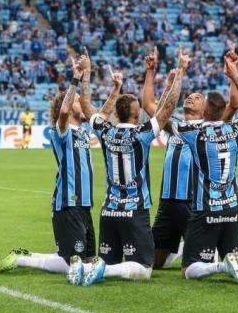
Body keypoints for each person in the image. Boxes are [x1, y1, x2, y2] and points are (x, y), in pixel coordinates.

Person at [0, 54, 120, 282]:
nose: (84, 106)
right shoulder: (60, 132)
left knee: (87, 261)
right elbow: (62, 113)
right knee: (73, 262)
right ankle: (22, 259)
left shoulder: (83, 131)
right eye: (79, 103)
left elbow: (103, 114)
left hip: (84, 203)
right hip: (67, 203)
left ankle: (24, 257)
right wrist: (74, 80)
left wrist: (116, 89)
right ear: (71, 107)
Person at [72, 47, 190, 287]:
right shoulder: (142, 134)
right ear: (137, 115)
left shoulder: (105, 131)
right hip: (134, 211)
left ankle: (86, 265)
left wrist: (86, 73)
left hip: (109, 212)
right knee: (144, 269)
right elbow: (167, 109)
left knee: (114, 260)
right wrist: (180, 73)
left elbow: (85, 105)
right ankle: (101, 269)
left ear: (117, 112)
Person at [141, 48, 238, 270]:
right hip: (167, 202)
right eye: (190, 96)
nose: (191, 97)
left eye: (198, 97)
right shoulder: (175, 125)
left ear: (206, 108)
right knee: (153, 263)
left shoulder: (210, 128)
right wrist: (150, 72)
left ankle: (204, 251)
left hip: (193, 202)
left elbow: (233, 105)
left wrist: (234, 74)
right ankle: (178, 249)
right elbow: (148, 105)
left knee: (201, 262)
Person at [174, 51, 238, 285]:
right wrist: (235, 77)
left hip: (206, 209)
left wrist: (179, 73)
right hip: (232, 207)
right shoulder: (235, 129)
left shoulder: (194, 133)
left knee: (187, 269)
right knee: (234, 252)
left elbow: (162, 117)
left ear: (204, 113)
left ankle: (221, 265)